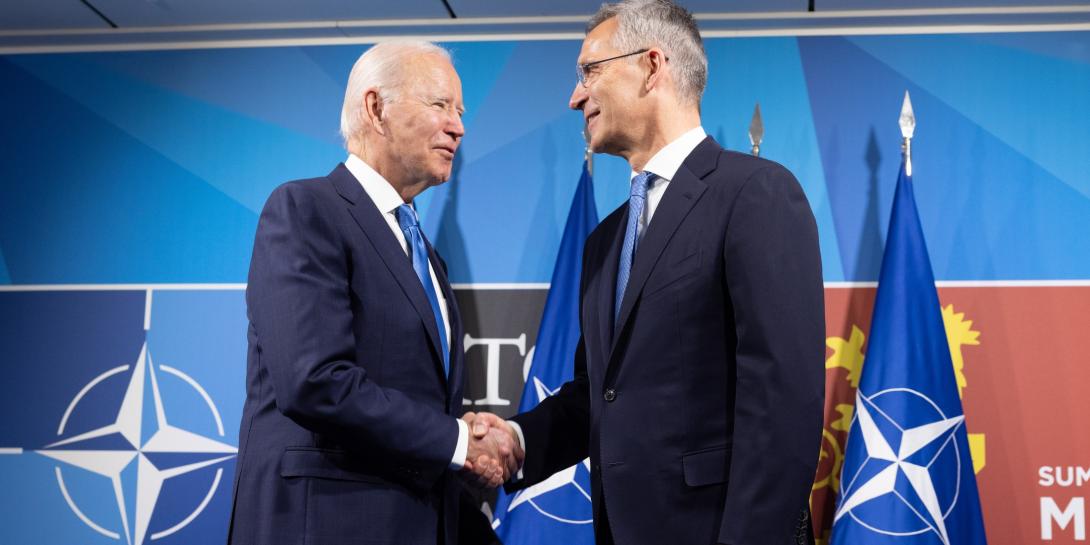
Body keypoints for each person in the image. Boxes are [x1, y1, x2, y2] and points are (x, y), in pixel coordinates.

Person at [468, 1, 825, 543]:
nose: (574, 96)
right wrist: (518, 439)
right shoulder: (605, 241)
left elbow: (782, 403)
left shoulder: (755, 194)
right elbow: (601, 394)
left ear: (653, 66)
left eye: (589, 71)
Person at [228, 41, 521, 545]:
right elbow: (315, 381)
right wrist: (457, 442)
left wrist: (462, 448)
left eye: (460, 111)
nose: (459, 126)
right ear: (375, 108)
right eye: (440, 105)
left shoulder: (428, 257)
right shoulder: (306, 210)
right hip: (323, 525)